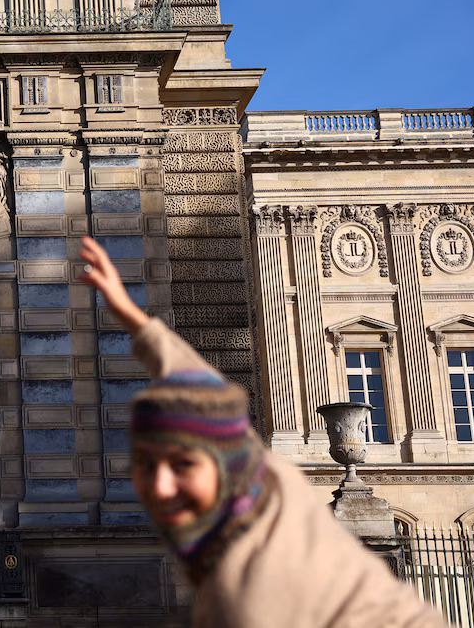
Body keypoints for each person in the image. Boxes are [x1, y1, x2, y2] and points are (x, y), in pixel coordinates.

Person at [78, 237, 448, 628]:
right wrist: (130, 316)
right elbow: (204, 390)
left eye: (183, 463)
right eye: (146, 465)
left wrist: (134, 319)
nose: (163, 485)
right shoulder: (228, 534)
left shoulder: (267, 532)